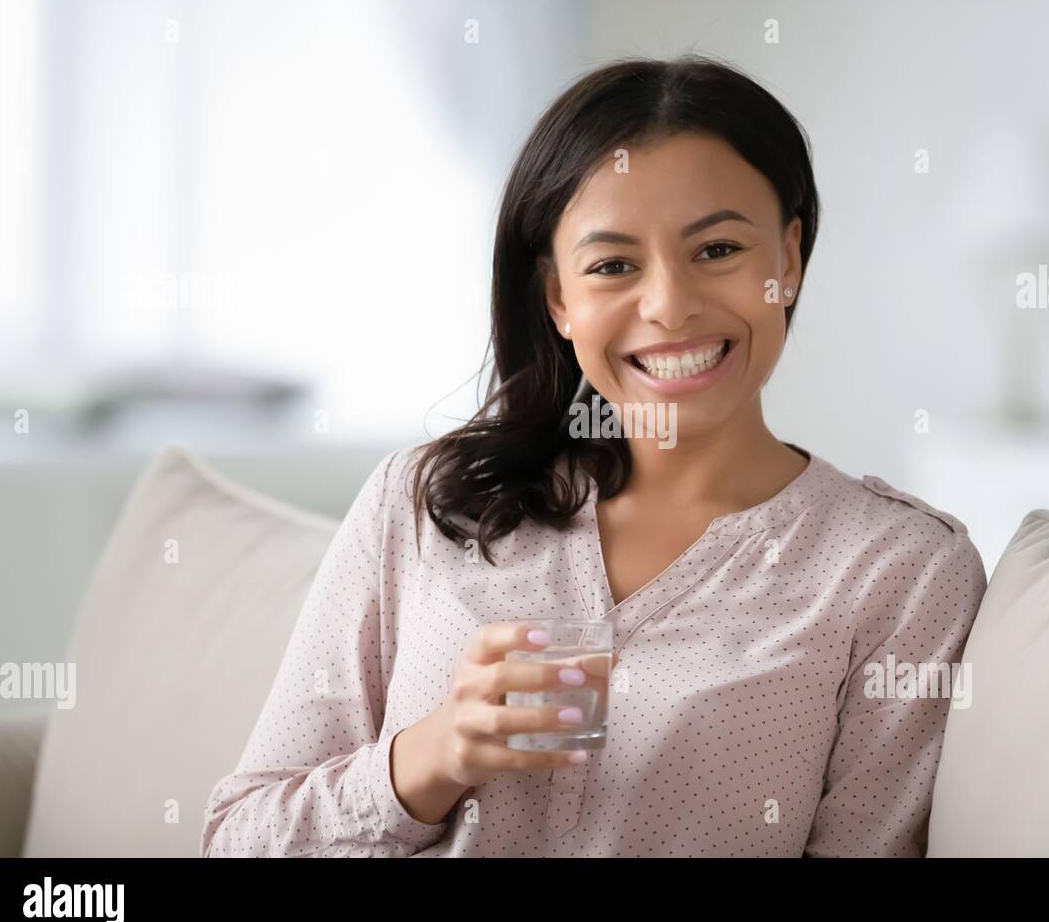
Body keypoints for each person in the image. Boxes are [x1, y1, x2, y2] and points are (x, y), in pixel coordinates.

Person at [201, 53, 986, 857]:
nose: (670, 306)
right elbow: (237, 841)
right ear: (558, 300)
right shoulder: (425, 499)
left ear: (786, 261)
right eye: (613, 265)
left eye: (718, 250)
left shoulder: (901, 572)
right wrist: (425, 763)